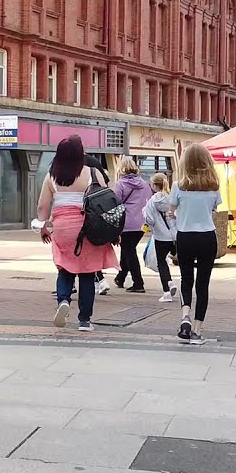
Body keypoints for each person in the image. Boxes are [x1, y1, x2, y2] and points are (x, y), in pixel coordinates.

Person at [36, 135, 119, 331]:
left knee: (65, 268)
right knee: (88, 274)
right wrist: (113, 232)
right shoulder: (92, 173)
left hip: (62, 227)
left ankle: (63, 300)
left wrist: (43, 228)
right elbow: (108, 202)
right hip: (88, 227)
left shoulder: (51, 176)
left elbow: (42, 206)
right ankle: (84, 320)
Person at [160, 143, 222, 345]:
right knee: (203, 284)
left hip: (185, 236)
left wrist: (175, 214)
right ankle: (197, 330)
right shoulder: (213, 186)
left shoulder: (178, 186)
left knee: (186, 279)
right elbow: (213, 210)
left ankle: (185, 315)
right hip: (207, 237)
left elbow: (170, 211)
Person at [112, 156, 152, 292]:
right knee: (127, 251)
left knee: (130, 252)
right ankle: (121, 277)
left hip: (126, 223)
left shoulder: (120, 184)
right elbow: (149, 201)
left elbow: (115, 202)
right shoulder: (144, 183)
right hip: (141, 223)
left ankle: (138, 283)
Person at [142, 172, 178, 302]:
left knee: (162, 263)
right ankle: (171, 284)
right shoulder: (172, 198)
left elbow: (150, 220)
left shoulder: (151, 201)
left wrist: (144, 213)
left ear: (154, 186)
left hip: (160, 236)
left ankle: (167, 290)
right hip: (174, 236)